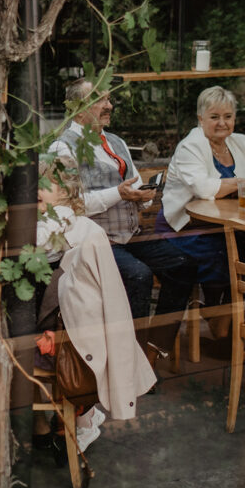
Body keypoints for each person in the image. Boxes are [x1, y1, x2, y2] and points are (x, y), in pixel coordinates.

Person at [50, 78, 196, 356]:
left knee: (183, 265)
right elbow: (72, 205)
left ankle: (156, 346)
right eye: (100, 100)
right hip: (94, 241)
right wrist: (119, 193)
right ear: (78, 110)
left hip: (130, 235)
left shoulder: (116, 141)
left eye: (108, 99)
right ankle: (131, 362)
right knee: (138, 276)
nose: (109, 105)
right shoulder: (63, 147)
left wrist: (143, 197)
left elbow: (134, 183)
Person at [35, 158, 155, 452]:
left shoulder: (59, 217)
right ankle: (78, 417)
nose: (35, 190)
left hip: (65, 325)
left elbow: (36, 243)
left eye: (44, 184)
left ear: (65, 193)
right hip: (74, 322)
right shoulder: (62, 218)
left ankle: (72, 418)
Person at [157, 85, 245, 309]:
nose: (222, 123)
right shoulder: (190, 147)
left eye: (228, 116)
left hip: (228, 225)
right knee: (225, 252)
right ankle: (215, 313)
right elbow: (204, 188)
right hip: (185, 227)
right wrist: (242, 182)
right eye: (214, 117)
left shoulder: (239, 141)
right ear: (201, 118)